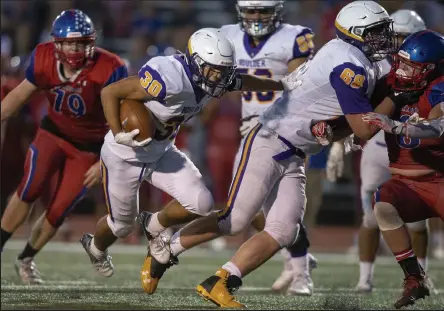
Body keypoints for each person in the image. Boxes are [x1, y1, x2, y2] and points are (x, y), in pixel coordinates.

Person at [139, 1, 398, 307]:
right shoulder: (348, 64)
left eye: (384, 30)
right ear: (356, 33)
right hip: (271, 138)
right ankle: (165, 249)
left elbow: (343, 122)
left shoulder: (357, 59)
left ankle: (221, 282)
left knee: (284, 229)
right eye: (376, 31)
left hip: (296, 147)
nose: (383, 37)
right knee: (235, 220)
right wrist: (397, 98)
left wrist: (338, 132)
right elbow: (365, 128)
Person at [79, 27, 295, 282]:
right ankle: (96, 247)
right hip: (126, 153)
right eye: (213, 70)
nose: (219, 77)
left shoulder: (216, 77)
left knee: (202, 203)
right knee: (122, 227)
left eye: (223, 71)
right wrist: (117, 133)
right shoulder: (169, 77)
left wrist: (281, 84)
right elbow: (110, 92)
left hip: (161, 151)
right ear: (195, 62)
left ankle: (154, 224)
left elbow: (244, 80)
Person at [0, 9, 128, 284]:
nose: (75, 48)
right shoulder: (43, 57)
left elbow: (125, 120)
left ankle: (26, 258)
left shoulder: (111, 67)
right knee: (30, 188)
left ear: (91, 42)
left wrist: (104, 161)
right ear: (56, 43)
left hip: (90, 147)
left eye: (81, 42)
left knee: (59, 210)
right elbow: (20, 95)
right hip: (54, 134)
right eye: (70, 42)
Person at [327, 9, 432, 293]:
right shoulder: (373, 66)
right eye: (394, 36)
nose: (399, 44)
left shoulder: (430, 69)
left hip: (412, 145)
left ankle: (423, 273)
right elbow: (351, 108)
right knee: (371, 214)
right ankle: (365, 278)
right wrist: (339, 141)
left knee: (418, 220)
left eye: (406, 38)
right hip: (377, 139)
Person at [218, 0, 317, 295]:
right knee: (264, 211)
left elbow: (300, 84)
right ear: (241, 11)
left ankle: (300, 270)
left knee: (271, 208)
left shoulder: (296, 36)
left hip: (284, 128)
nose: (257, 16)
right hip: (249, 127)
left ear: (276, 11)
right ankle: (297, 260)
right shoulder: (227, 35)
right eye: (251, 10)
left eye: (263, 10)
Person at [361, 30, 444, 309]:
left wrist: (400, 127)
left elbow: (437, 129)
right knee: (382, 205)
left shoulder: (439, 89)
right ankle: (414, 279)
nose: (402, 70)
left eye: (411, 66)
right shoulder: (390, 85)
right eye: (401, 62)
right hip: (405, 183)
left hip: (439, 179)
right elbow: (361, 117)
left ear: (432, 69)